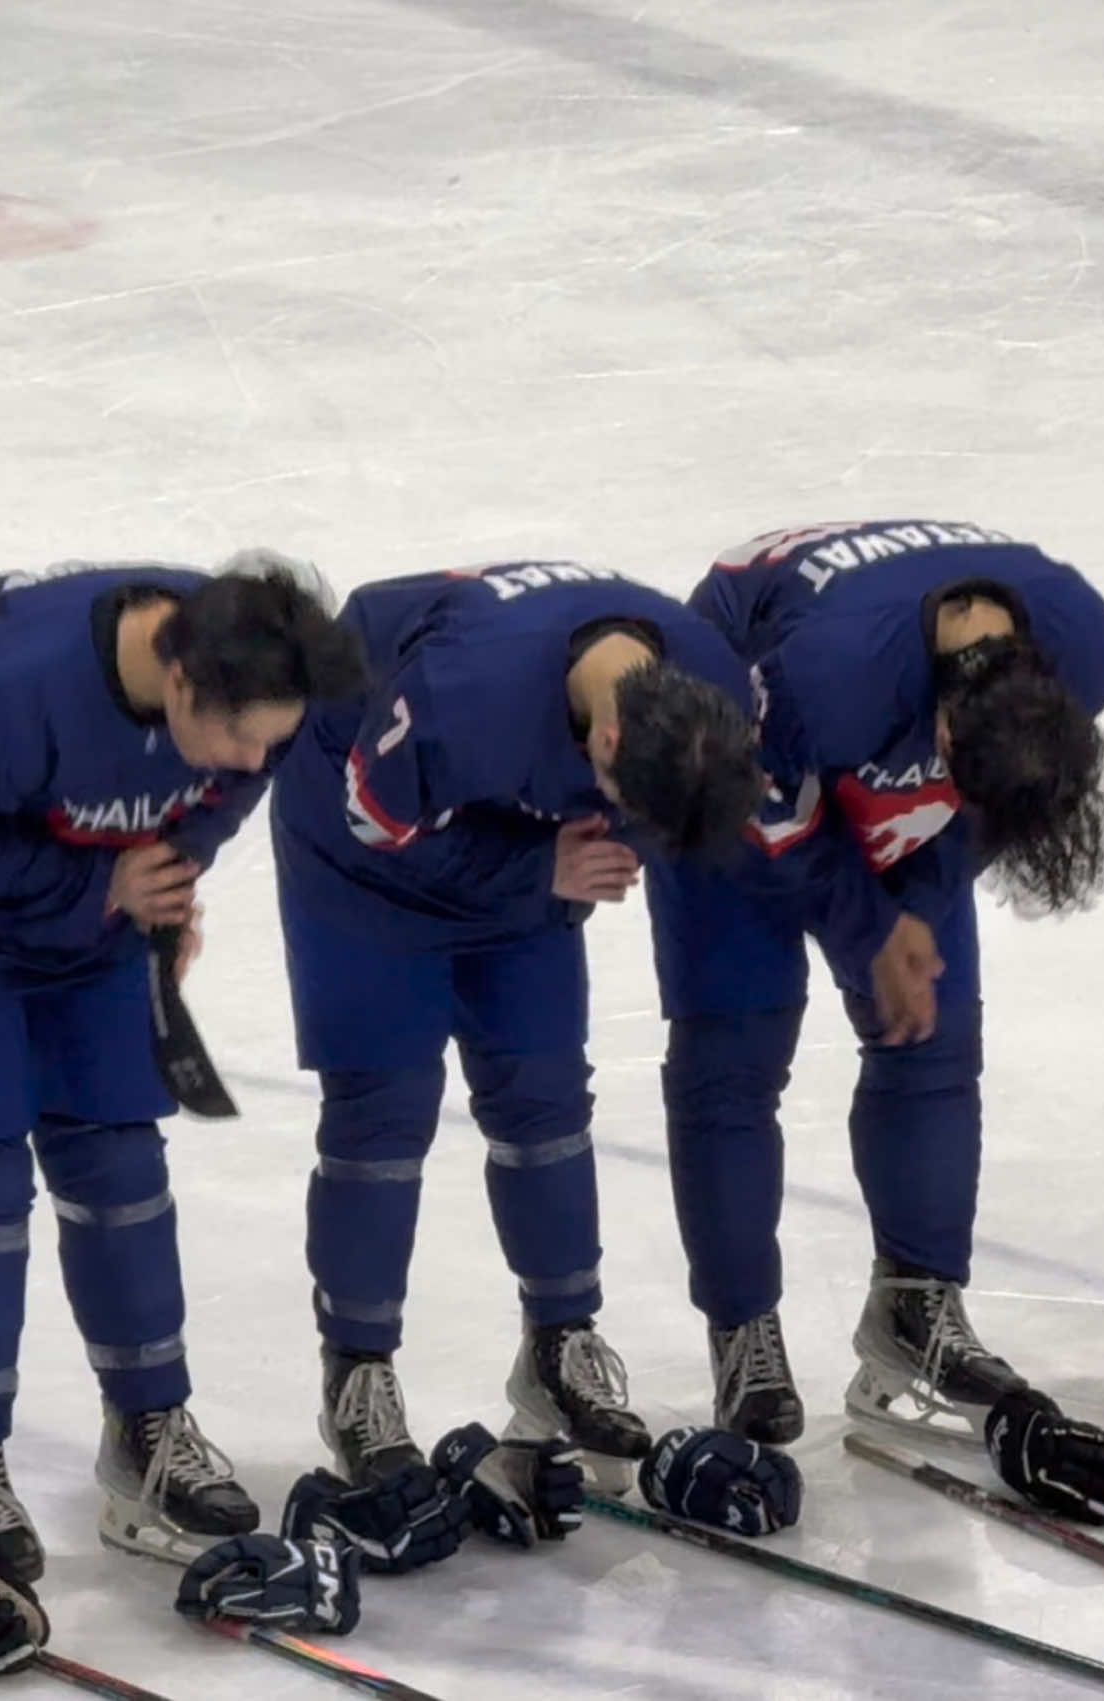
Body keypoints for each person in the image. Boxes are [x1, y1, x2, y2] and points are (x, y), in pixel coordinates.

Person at [270, 558, 763, 1547]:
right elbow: (376, 824)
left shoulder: (706, 684)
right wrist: (539, 865)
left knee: (542, 1093)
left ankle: (561, 1343)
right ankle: (358, 1373)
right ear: (610, 737)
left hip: (521, 834)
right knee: (382, 1109)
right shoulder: (463, 696)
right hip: (363, 845)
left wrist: (557, 861)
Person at [0, 550, 364, 1587]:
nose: (259, 761)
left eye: (276, 738)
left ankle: (146, 1427)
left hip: (95, 928)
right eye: (240, 737)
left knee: (120, 1167)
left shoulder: (244, 671)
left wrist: (165, 878)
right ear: (178, 683)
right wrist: (103, 879)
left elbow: (218, 798)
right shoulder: (6, 697)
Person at [646, 519, 1104, 1444]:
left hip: (871, 716)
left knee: (931, 1029)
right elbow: (764, 817)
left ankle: (913, 1309)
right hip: (736, 748)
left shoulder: (1089, 645)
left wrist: (919, 900)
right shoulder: (825, 679)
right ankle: (744, 1329)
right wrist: (872, 924)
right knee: (736, 1046)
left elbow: (994, 815)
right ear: (940, 730)